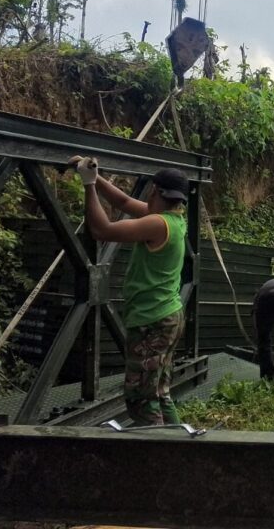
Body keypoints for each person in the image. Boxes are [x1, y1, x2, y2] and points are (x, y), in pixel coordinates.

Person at [70, 156, 189, 426]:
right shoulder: (174, 220)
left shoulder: (157, 223)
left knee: (141, 399)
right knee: (158, 392)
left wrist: (88, 186)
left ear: (154, 190)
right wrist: (94, 176)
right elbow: (123, 202)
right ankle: (177, 443)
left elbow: (102, 230)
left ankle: (155, 449)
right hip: (168, 317)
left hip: (152, 322)